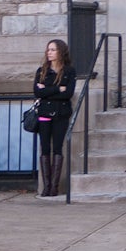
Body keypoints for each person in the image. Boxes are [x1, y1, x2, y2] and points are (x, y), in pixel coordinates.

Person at [31, 39, 74, 198]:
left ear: (60, 52)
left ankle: (54, 187)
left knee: (57, 147)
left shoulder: (69, 71)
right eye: (48, 49)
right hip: (44, 113)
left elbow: (68, 93)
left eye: (53, 50)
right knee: (45, 148)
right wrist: (57, 89)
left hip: (61, 114)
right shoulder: (41, 71)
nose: (49, 52)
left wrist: (47, 89)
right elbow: (38, 93)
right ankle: (46, 186)